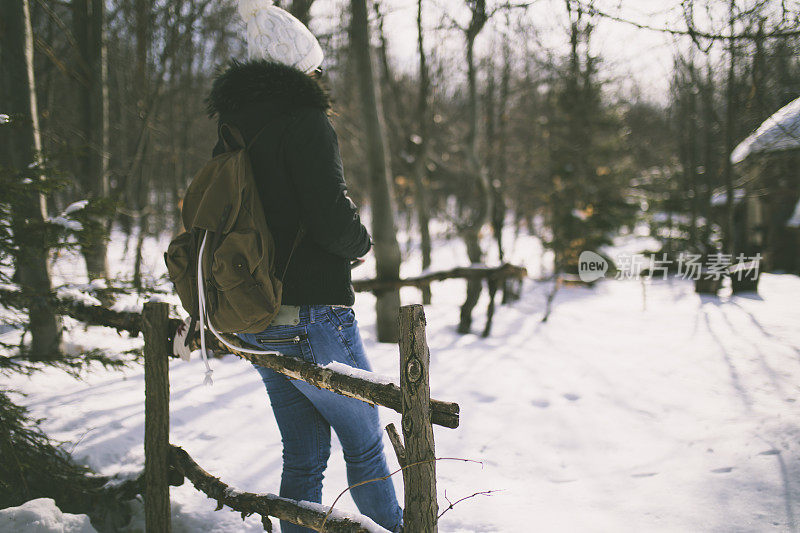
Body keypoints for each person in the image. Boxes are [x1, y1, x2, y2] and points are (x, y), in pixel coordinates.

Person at [205, 2, 403, 532]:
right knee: (364, 443)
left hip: (258, 311)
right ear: (301, 68)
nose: (321, 77)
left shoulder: (235, 126)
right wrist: (358, 241)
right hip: (312, 311)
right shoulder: (305, 120)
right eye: (316, 68)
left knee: (304, 454)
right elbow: (328, 213)